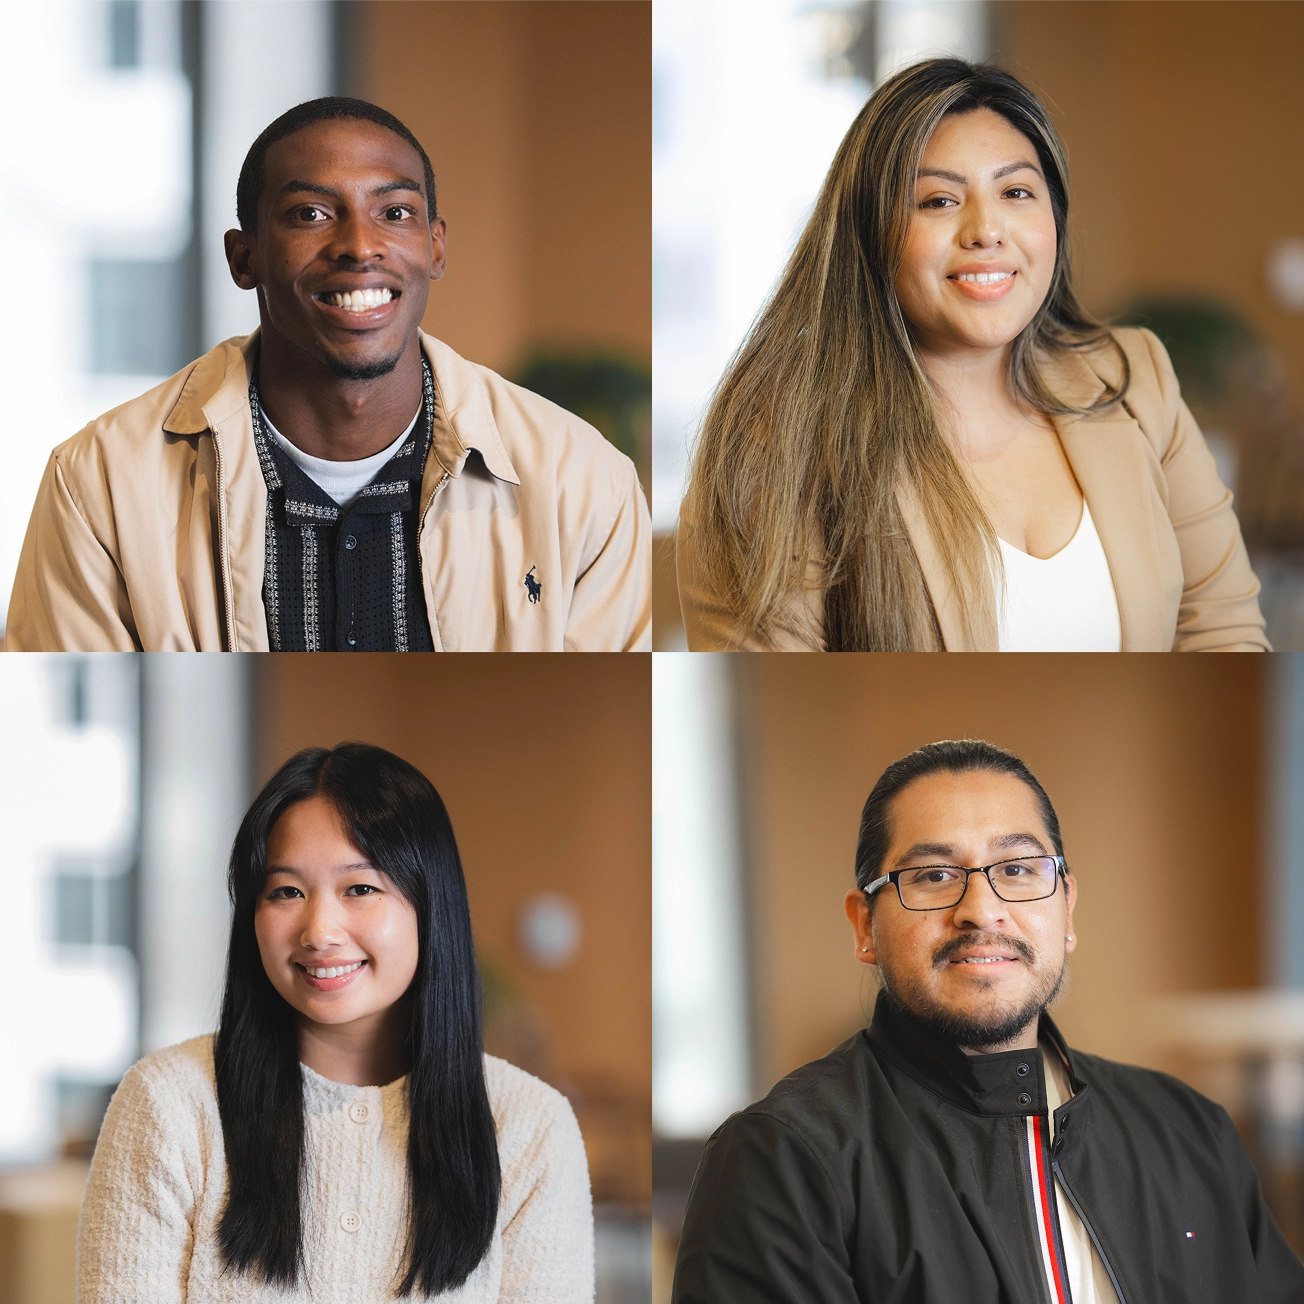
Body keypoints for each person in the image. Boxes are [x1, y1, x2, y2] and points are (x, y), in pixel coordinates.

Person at [6, 98, 650, 651]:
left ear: (435, 246)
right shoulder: (98, 481)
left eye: (394, 212)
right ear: (244, 257)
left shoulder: (585, 481)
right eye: (311, 213)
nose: (359, 245)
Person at [673, 739, 1303, 1302]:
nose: (982, 910)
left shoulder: (1190, 1131)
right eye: (934, 875)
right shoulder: (782, 1159)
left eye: (1018, 869)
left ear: (1067, 909)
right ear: (865, 926)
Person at [676, 59, 1268, 651]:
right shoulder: (778, 441)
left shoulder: (1135, 376)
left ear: (1054, 218)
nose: (987, 230)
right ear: (868, 230)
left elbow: (1223, 627)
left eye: (1015, 191)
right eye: (937, 201)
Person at [78, 743, 594, 1302]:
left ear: (430, 904)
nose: (319, 931)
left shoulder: (529, 1127)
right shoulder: (168, 1104)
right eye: (286, 892)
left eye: (360, 888)